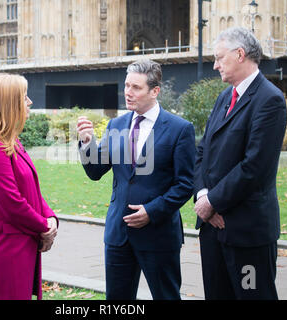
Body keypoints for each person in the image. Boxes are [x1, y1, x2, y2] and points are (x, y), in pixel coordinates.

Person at [77, 59, 195, 300]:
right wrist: (87, 143)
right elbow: (95, 171)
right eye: (126, 85)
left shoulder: (179, 129)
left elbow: (185, 184)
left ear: (155, 91)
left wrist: (152, 211)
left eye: (136, 88)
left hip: (159, 234)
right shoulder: (116, 125)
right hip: (119, 235)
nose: (128, 93)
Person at [194, 27, 287, 300]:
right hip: (213, 230)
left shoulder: (269, 100)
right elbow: (202, 154)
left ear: (240, 54)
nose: (215, 65)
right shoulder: (225, 97)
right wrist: (203, 198)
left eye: (220, 57)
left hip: (247, 234)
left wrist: (213, 202)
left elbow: (255, 167)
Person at [0, 73, 58, 300]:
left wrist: (51, 220)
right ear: (8, 104)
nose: (29, 102)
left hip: (21, 243)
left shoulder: (11, 142)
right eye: (24, 97)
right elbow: (13, 203)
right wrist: (43, 227)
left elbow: (32, 192)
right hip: (6, 248)